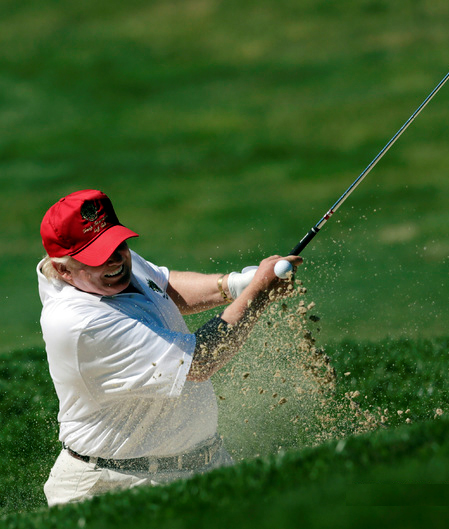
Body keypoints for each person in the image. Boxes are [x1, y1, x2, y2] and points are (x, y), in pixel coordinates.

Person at [37, 189, 302, 506]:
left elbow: (162, 287)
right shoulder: (80, 324)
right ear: (63, 270)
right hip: (115, 487)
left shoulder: (109, 270)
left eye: (117, 245)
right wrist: (257, 293)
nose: (116, 260)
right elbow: (200, 360)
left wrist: (234, 285)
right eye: (98, 256)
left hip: (203, 467)